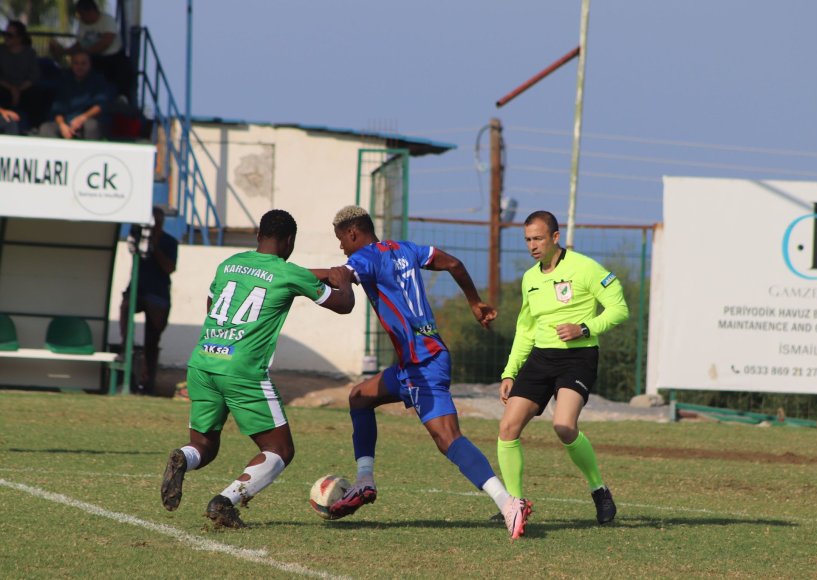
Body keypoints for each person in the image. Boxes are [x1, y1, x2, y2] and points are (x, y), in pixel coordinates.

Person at [314, 205, 532, 540]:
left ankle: (507, 504)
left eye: (342, 240)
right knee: (359, 397)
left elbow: (336, 275)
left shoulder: (365, 258)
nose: (342, 247)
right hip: (413, 362)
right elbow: (454, 264)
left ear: (354, 233)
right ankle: (365, 480)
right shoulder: (406, 249)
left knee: (448, 439)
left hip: (423, 362)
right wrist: (475, 302)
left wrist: (282, 275)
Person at [160, 209, 355, 529]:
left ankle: (182, 456)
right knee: (279, 449)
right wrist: (344, 280)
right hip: (243, 370)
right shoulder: (288, 273)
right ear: (290, 240)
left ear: (258, 236)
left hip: (203, 362)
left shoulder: (229, 264)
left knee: (203, 446)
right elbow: (343, 304)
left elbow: (212, 307)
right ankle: (224, 502)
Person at [497, 210, 629, 525]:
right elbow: (526, 329)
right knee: (507, 428)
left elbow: (619, 307)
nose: (533, 245)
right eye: (528, 239)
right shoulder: (530, 278)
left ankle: (599, 490)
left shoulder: (584, 267)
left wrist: (585, 327)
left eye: (538, 238)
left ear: (555, 237)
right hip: (541, 358)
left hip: (578, 356)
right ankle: (514, 506)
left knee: (564, 426)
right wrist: (509, 371)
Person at [119, 207, 178, 396]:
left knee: (151, 342)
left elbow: (169, 268)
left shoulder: (169, 241)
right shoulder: (138, 237)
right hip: (139, 291)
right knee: (125, 306)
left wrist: (156, 246)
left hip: (158, 296)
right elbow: (132, 249)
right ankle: (125, 347)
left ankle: (146, 383)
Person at [50, 0, 133, 98]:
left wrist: (86, 52)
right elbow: (80, 44)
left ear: (91, 12)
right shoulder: (82, 23)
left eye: (83, 14)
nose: (82, 18)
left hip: (114, 59)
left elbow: (106, 42)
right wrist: (64, 52)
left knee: (121, 80)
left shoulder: (107, 20)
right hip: (94, 59)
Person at [38, 49, 112, 140]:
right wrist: (62, 126)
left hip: (88, 121)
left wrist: (82, 118)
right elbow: (57, 110)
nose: (79, 67)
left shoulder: (98, 80)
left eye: (83, 63)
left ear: (90, 64)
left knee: (91, 125)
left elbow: (100, 106)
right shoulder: (64, 80)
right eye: (76, 63)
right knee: (46, 128)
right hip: (67, 123)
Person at [0, 21, 40, 128]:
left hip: (24, 89)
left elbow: (34, 76)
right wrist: (12, 89)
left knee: (36, 95)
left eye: (10, 35)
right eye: (5, 34)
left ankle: (33, 128)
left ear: (20, 38)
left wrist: (18, 89)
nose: (6, 38)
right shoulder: (1, 51)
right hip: (4, 88)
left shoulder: (29, 53)